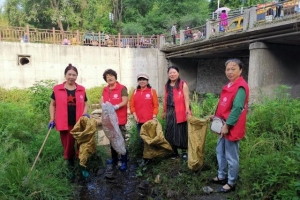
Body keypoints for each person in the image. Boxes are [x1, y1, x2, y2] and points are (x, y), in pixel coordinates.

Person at [210, 59, 249, 193]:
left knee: (231, 156)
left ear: (240, 70)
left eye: (233, 69)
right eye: (228, 69)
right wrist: (215, 118)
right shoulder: (229, 85)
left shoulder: (241, 86)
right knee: (220, 151)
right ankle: (222, 176)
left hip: (231, 126)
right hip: (222, 124)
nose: (230, 72)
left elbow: (237, 108)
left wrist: (227, 125)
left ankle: (231, 182)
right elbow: (224, 106)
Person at [48, 63, 89, 177]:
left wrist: (85, 113)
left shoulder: (81, 89)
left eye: (74, 75)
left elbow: (86, 104)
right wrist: (52, 118)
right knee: (68, 146)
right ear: (65, 75)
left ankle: (82, 166)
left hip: (79, 123)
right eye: (69, 74)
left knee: (82, 145)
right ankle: (70, 168)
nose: (71, 77)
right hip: (65, 123)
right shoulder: (57, 89)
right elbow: (52, 105)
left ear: (77, 76)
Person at [100, 69, 129, 171]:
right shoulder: (105, 89)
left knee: (120, 140)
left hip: (119, 119)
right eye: (107, 76)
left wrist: (116, 106)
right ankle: (114, 159)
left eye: (111, 75)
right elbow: (102, 100)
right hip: (109, 120)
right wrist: (103, 106)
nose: (109, 77)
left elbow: (125, 101)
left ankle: (124, 161)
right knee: (112, 139)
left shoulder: (122, 88)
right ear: (105, 79)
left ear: (115, 77)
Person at [161, 66, 191, 161]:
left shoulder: (183, 84)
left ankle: (184, 152)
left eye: (174, 72)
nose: (172, 74)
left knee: (181, 130)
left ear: (178, 73)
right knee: (170, 130)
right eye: (170, 73)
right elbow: (165, 99)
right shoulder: (167, 85)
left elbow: (186, 98)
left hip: (180, 110)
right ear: (168, 74)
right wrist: (164, 111)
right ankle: (174, 152)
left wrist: (187, 109)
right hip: (170, 110)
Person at [129, 73, 159, 164]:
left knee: (150, 139)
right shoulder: (134, 92)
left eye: (144, 79)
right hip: (139, 121)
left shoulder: (151, 91)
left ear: (147, 81)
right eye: (140, 79)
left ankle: (151, 158)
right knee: (142, 140)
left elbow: (156, 105)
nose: (142, 81)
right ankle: (145, 158)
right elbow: (131, 105)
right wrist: (134, 115)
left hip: (149, 120)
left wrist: (154, 116)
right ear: (138, 81)